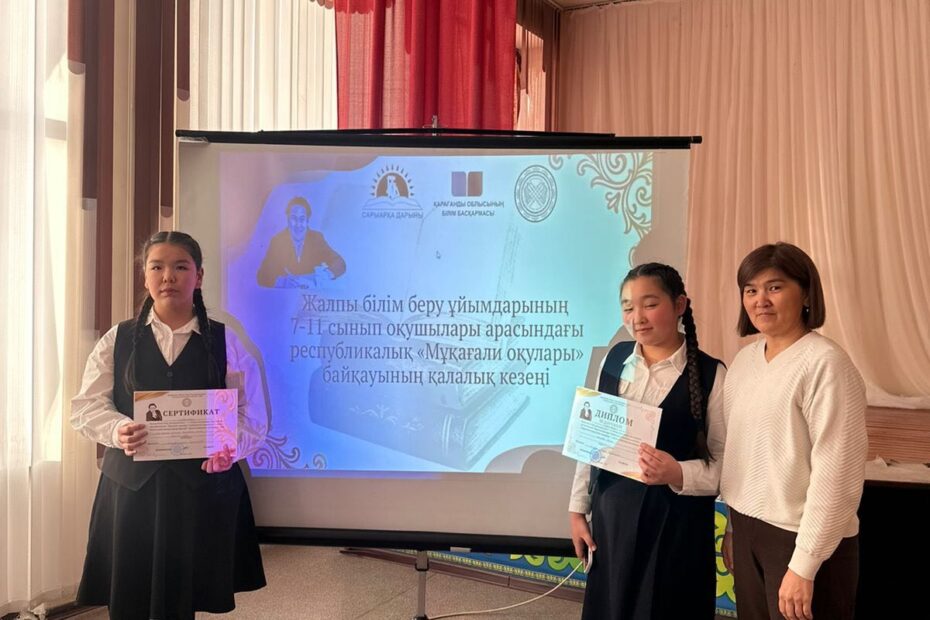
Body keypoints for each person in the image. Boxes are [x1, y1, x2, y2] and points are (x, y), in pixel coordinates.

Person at [71, 231, 268, 619]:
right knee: (129, 596)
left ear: (199, 276)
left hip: (201, 489)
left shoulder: (226, 342)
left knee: (185, 596)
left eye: (180, 267)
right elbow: (86, 406)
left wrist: (230, 447)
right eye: (156, 267)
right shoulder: (118, 339)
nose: (168, 277)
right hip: (131, 490)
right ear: (145, 276)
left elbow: (252, 415)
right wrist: (117, 430)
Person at [568, 263, 727, 619]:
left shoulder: (711, 374)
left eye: (650, 304)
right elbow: (590, 444)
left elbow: (724, 467)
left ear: (679, 305)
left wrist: (677, 472)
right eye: (627, 307)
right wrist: (577, 509)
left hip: (676, 529)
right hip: (613, 521)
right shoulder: (613, 359)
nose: (637, 317)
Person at [720, 242, 868, 620]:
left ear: (805, 293)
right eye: (751, 290)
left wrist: (805, 564)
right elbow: (741, 456)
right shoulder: (743, 361)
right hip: (748, 529)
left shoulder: (826, 363)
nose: (760, 300)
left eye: (774, 287)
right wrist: (734, 530)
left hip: (804, 540)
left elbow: (838, 473)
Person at [257, 196, 346, 287]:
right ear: (288, 219)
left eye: (302, 219)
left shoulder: (316, 239)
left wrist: (321, 277)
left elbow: (339, 263)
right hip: (286, 294)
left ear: (307, 220)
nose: (298, 224)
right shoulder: (277, 241)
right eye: (293, 218)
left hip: (310, 294)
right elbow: (262, 275)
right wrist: (283, 282)